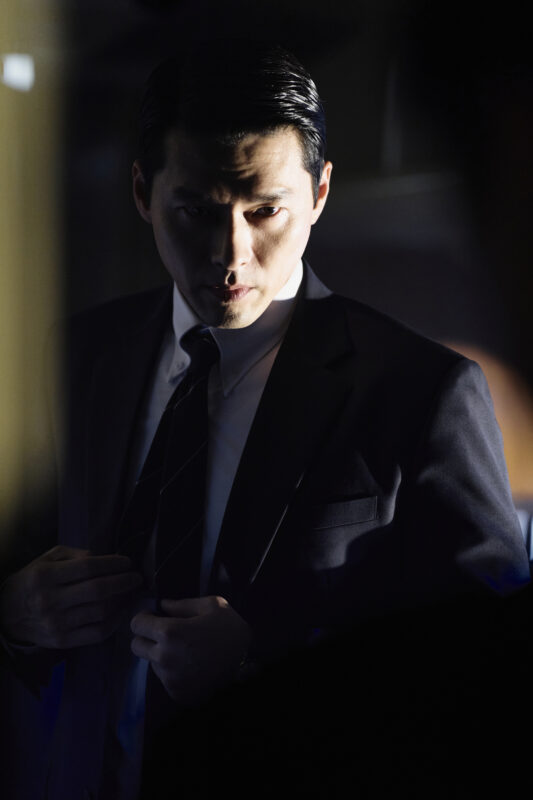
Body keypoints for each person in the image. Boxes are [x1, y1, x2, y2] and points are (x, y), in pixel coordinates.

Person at [0, 39, 529, 800]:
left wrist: (262, 662)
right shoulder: (82, 356)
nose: (232, 255)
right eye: (197, 210)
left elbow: (490, 673)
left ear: (319, 194)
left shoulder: (423, 391)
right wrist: (16, 612)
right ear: (143, 191)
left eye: (265, 210)